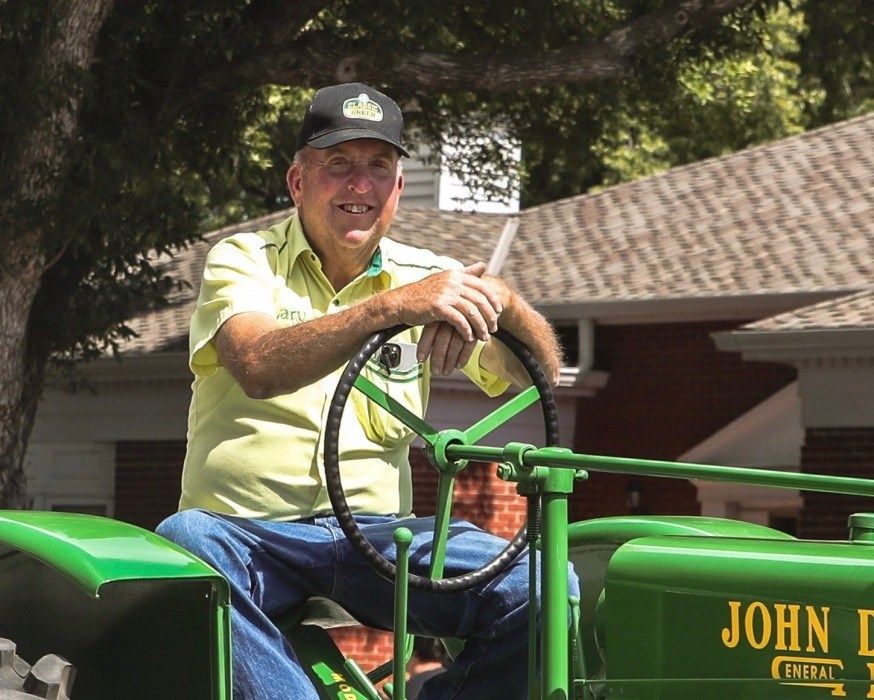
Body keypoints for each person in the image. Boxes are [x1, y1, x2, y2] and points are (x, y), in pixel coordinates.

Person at [157, 82, 579, 699]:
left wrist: (507, 306)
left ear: (399, 188)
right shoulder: (243, 259)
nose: (361, 185)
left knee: (546, 584)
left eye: (379, 167)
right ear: (298, 182)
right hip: (246, 531)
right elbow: (255, 362)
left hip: (378, 537)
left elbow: (538, 375)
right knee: (187, 543)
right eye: (339, 165)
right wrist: (388, 309)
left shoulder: (433, 280)